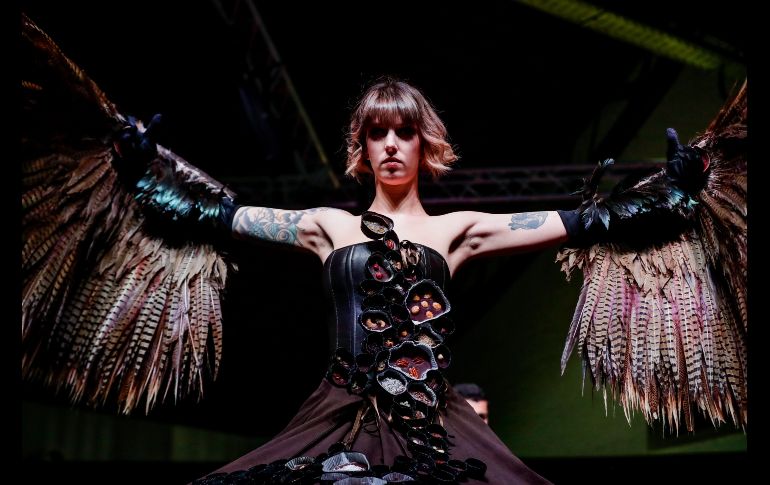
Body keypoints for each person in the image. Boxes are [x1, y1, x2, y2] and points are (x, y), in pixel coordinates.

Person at [23, 16, 743, 485]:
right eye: (377, 133)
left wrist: (674, 192)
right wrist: (139, 172)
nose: (391, 144)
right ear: (362, 147)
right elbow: (218, 214)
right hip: (336, 416)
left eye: (404, 132)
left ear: (425, 144)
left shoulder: (460, 230)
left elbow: (583, 223)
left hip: (436, 424)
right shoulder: (324, 227)